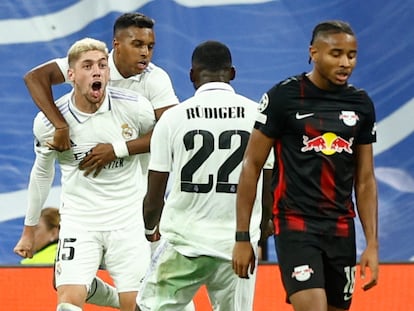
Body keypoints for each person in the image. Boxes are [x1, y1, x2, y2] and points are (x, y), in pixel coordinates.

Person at [22, 12, 185, 309]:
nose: (145, 53)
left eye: (150, 46)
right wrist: (60, 126)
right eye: (137, 44)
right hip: (82, 214)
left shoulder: (152, 83)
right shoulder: (93, 61)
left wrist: (116, 149)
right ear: (116, 47)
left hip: (136, 198)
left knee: (149, 292)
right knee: (65, 291)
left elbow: (171, 134)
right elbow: (35, 77)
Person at [232, 20, 379, 311]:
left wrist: (372, 243)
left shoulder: (361, 104)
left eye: (351, 55)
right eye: (335, 53)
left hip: (340, 228)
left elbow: (365, 180)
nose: (345, 62)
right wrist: (243, 237)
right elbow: (251, 165)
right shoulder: (283, 97)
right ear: (313, 52)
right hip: (294, 224)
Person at [137, 40, 273, 311]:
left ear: (192, 75)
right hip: (237, 245)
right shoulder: (258, 115)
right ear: (232, 73)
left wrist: (149, 229)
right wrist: (261, 230)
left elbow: (154, 196)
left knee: (147, 308)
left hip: (185, 242)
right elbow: (268, 184)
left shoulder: (173, 118)